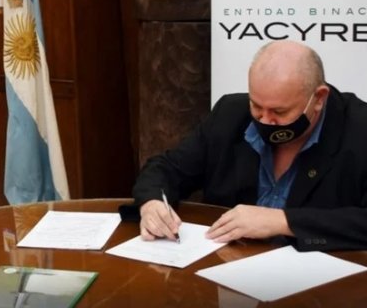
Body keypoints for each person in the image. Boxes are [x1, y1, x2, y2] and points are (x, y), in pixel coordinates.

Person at [134, 40, 367, 251]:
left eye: (279, 111)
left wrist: (283, 221)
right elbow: (166, 168)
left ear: (318, 99)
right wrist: (152, 203)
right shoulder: (231, 114)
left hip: (324, 281)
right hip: (228, 267)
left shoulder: (359, 129)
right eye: (256, 106)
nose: (264, 120)